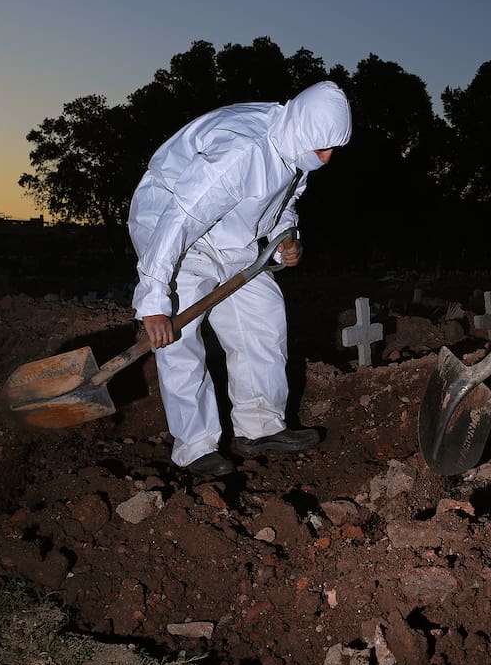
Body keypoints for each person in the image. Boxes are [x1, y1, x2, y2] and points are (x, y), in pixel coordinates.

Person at [127, 81, 352, 478]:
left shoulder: (295, 144)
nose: (328, 158)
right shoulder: (241, 153)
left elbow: (283, 199)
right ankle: (195, 448)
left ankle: (259, 428)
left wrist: (287, 237)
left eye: (334, 148)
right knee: (179, 335)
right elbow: (180, 220)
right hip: (172, 227)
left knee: (262, 314)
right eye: (323, 148)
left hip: (229, 234)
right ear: (304, 131)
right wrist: (154, 302)